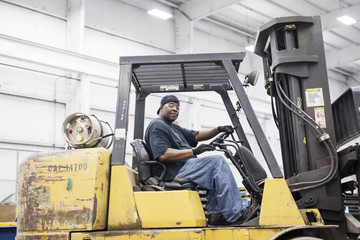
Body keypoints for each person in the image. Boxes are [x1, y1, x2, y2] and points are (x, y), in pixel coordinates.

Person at [144, 94, 248, 225]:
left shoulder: (174, 127)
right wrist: (193, 151)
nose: (175, 109)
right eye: (171, 106)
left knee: (214, 169)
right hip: (174, 171)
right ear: (161, 108)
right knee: (216, 163)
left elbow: (197, 136)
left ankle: (216, 215)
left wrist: (218, 129)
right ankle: (235, 213)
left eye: (177, 107)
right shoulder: (157, 125)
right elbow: (163, 154)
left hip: (184, 166)